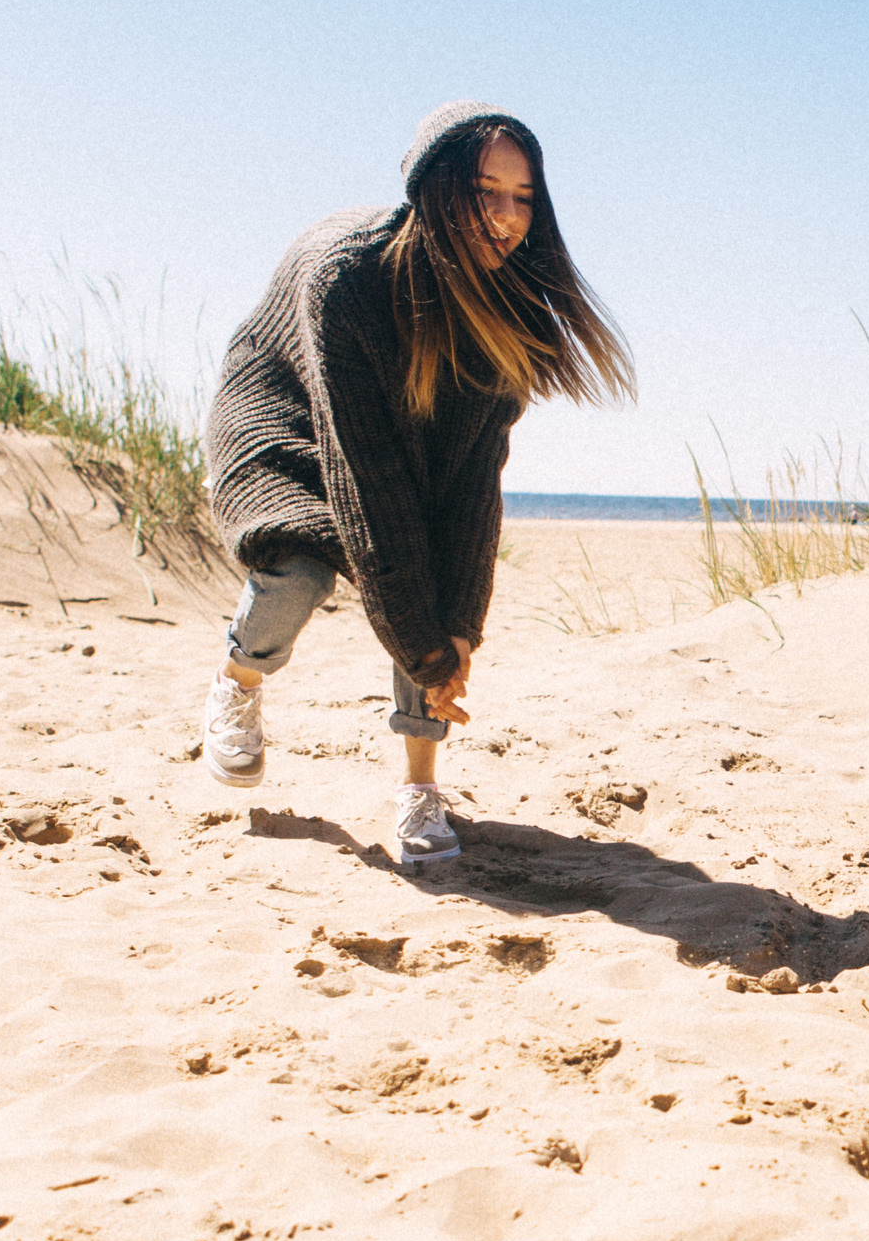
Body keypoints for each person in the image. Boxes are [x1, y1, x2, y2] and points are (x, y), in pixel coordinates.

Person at [199, 101, 631, 865]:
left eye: (522, 197)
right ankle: (240, 679)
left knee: (429, 593)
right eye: (484, 191)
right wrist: (428, 655)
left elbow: (472, 486)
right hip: (286, 405)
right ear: (434, 190)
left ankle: (420, 788)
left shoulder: (505, 312)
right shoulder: (349, 279)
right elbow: (373, 493)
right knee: (300, 573)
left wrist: (457, 630)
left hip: (393, 432)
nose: (505, 216)